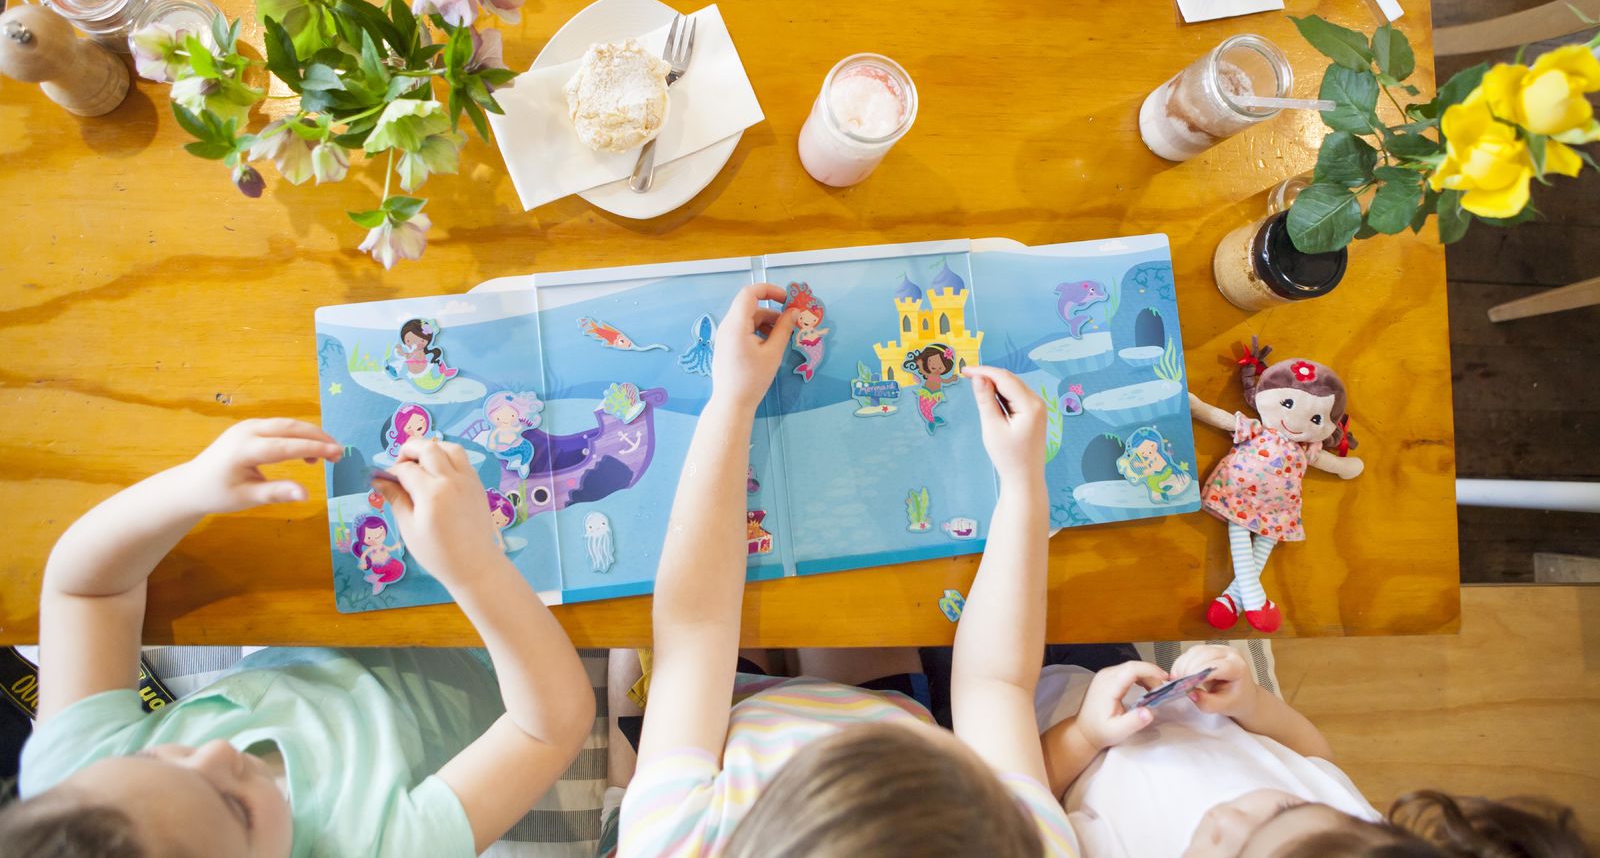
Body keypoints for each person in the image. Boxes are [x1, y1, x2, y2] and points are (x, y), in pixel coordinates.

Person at [617, 283, 1075, 857]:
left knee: (637, 655)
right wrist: (1022, 485)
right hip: (884, 707)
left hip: (731, 719)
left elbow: (694, 631)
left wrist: (731, 400)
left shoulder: (672, 839)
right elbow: (996, 686)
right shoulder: (1017, 842)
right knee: (850, 614)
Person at [0, 418, 594, 858]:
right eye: (234, 806)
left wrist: (189, 488)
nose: (217, 752)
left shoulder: (75, 784)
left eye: (161, 755)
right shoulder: (377, 846)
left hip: (332, 623)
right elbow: (548, 725)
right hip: (509, 666)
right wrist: (475, 565)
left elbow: (87, 594)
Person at [1039, 645, 1592, 857]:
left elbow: (1022, 789)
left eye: (1226, 851)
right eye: (1286, 807)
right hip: (1121, 671)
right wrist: (1252, 702)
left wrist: (1086, 737)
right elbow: (1310, 755)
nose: (1230, 814)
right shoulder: (1351, 834)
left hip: (1030, 712)